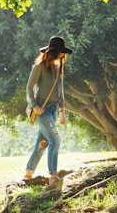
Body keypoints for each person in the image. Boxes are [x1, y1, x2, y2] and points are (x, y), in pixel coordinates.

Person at [24, 36, 73, 185]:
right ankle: (53, 174)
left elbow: (60, 92)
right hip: (42, 109)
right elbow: (29, 88)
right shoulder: (39, 66)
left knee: (43, 142)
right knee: (55, 140)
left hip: (53, 110)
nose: (62, 55)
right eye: (60, 52)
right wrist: (34, 106)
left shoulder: (58, 68)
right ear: (53, 52)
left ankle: (28, 173)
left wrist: (62, 111)